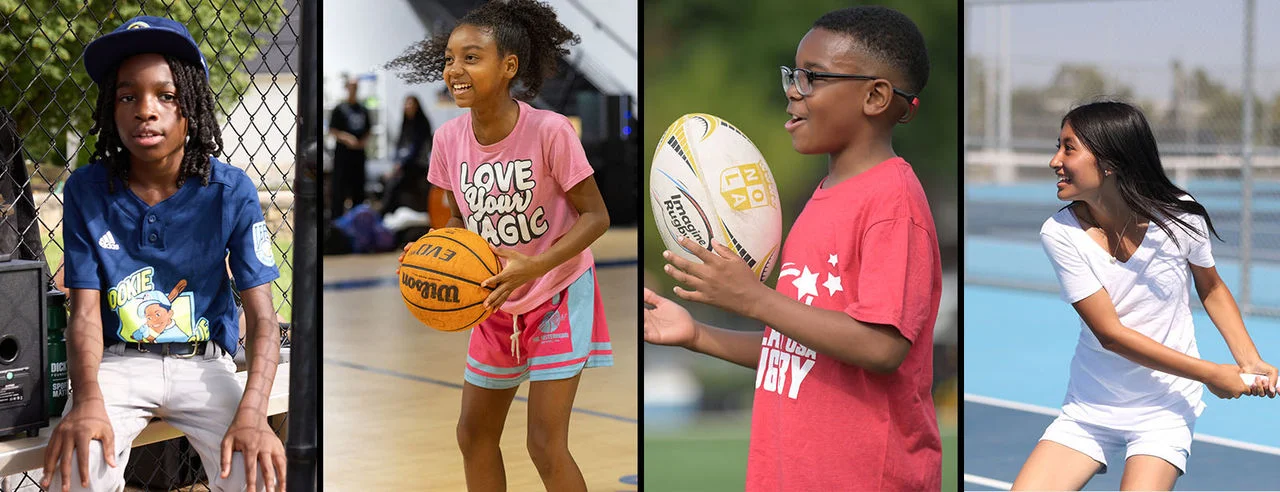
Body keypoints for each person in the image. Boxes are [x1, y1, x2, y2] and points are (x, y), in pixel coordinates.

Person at [644, 6, 941, 490]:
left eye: (813, 77)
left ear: (875, 96)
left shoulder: (893, 203)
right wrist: (696, 334)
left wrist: (752, 298)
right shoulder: (819, 199)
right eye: (793, 74)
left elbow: (881, 346)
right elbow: (797, 351)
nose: (792, 90)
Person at [41, 15, 285, 492]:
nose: (144, 110)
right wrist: (88, 398)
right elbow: (85, 312)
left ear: (192, 104)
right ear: (111, 110)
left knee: (258, 476)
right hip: (116, 365)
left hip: (206, 364)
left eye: (166, 96)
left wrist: (254, 412)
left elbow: (263, 318)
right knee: (76, 472)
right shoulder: (88, 189)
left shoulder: (229, 189)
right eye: (127, 96)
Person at [386, 1, 611, 490]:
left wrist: (535, 266)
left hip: (556, 289)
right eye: (449, 59)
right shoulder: (448, 139)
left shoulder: (549, 131)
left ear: (508, 66)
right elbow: (457, 221)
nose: (454, 70)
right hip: (492, 294)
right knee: (473, 434)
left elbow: (597, 216)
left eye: (471, 57)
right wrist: (430, 252)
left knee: (544, 442)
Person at [1011, 101, 1278, 490]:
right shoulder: (1059, 233)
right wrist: (1212, 375)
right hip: (1090, 407)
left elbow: (1212, 287)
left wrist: (1249, 360)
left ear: (1109, 162)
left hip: (1165, 408)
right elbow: (1111, 335)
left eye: (1069, 148)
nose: (1055, 160)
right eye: (1059, 146)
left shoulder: (1182, 216)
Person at [381, 95, 434, 218]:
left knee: (394, 183)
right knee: (384, 179)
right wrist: (395, 164)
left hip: (418, 165)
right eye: (406, 104)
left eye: (411, 104)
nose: (408, 107)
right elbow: (399, 146)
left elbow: (416, 151)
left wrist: (399, 166)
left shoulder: (422, 125)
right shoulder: (405, 124)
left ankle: (384, 212)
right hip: (404, 164)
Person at [328, 78, 371, 221]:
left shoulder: (363, 109)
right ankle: (337, 224)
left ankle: (357, 221)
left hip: (358, 156)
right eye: (351, 87)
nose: (353, 90)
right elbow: (333, 130)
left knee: (358, 190)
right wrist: (346, 137)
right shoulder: (339, 109)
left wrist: (362, 142)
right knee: (339, 191)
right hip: (343, 156)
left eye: (356, 87)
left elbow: (368, 130)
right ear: (347, 88)